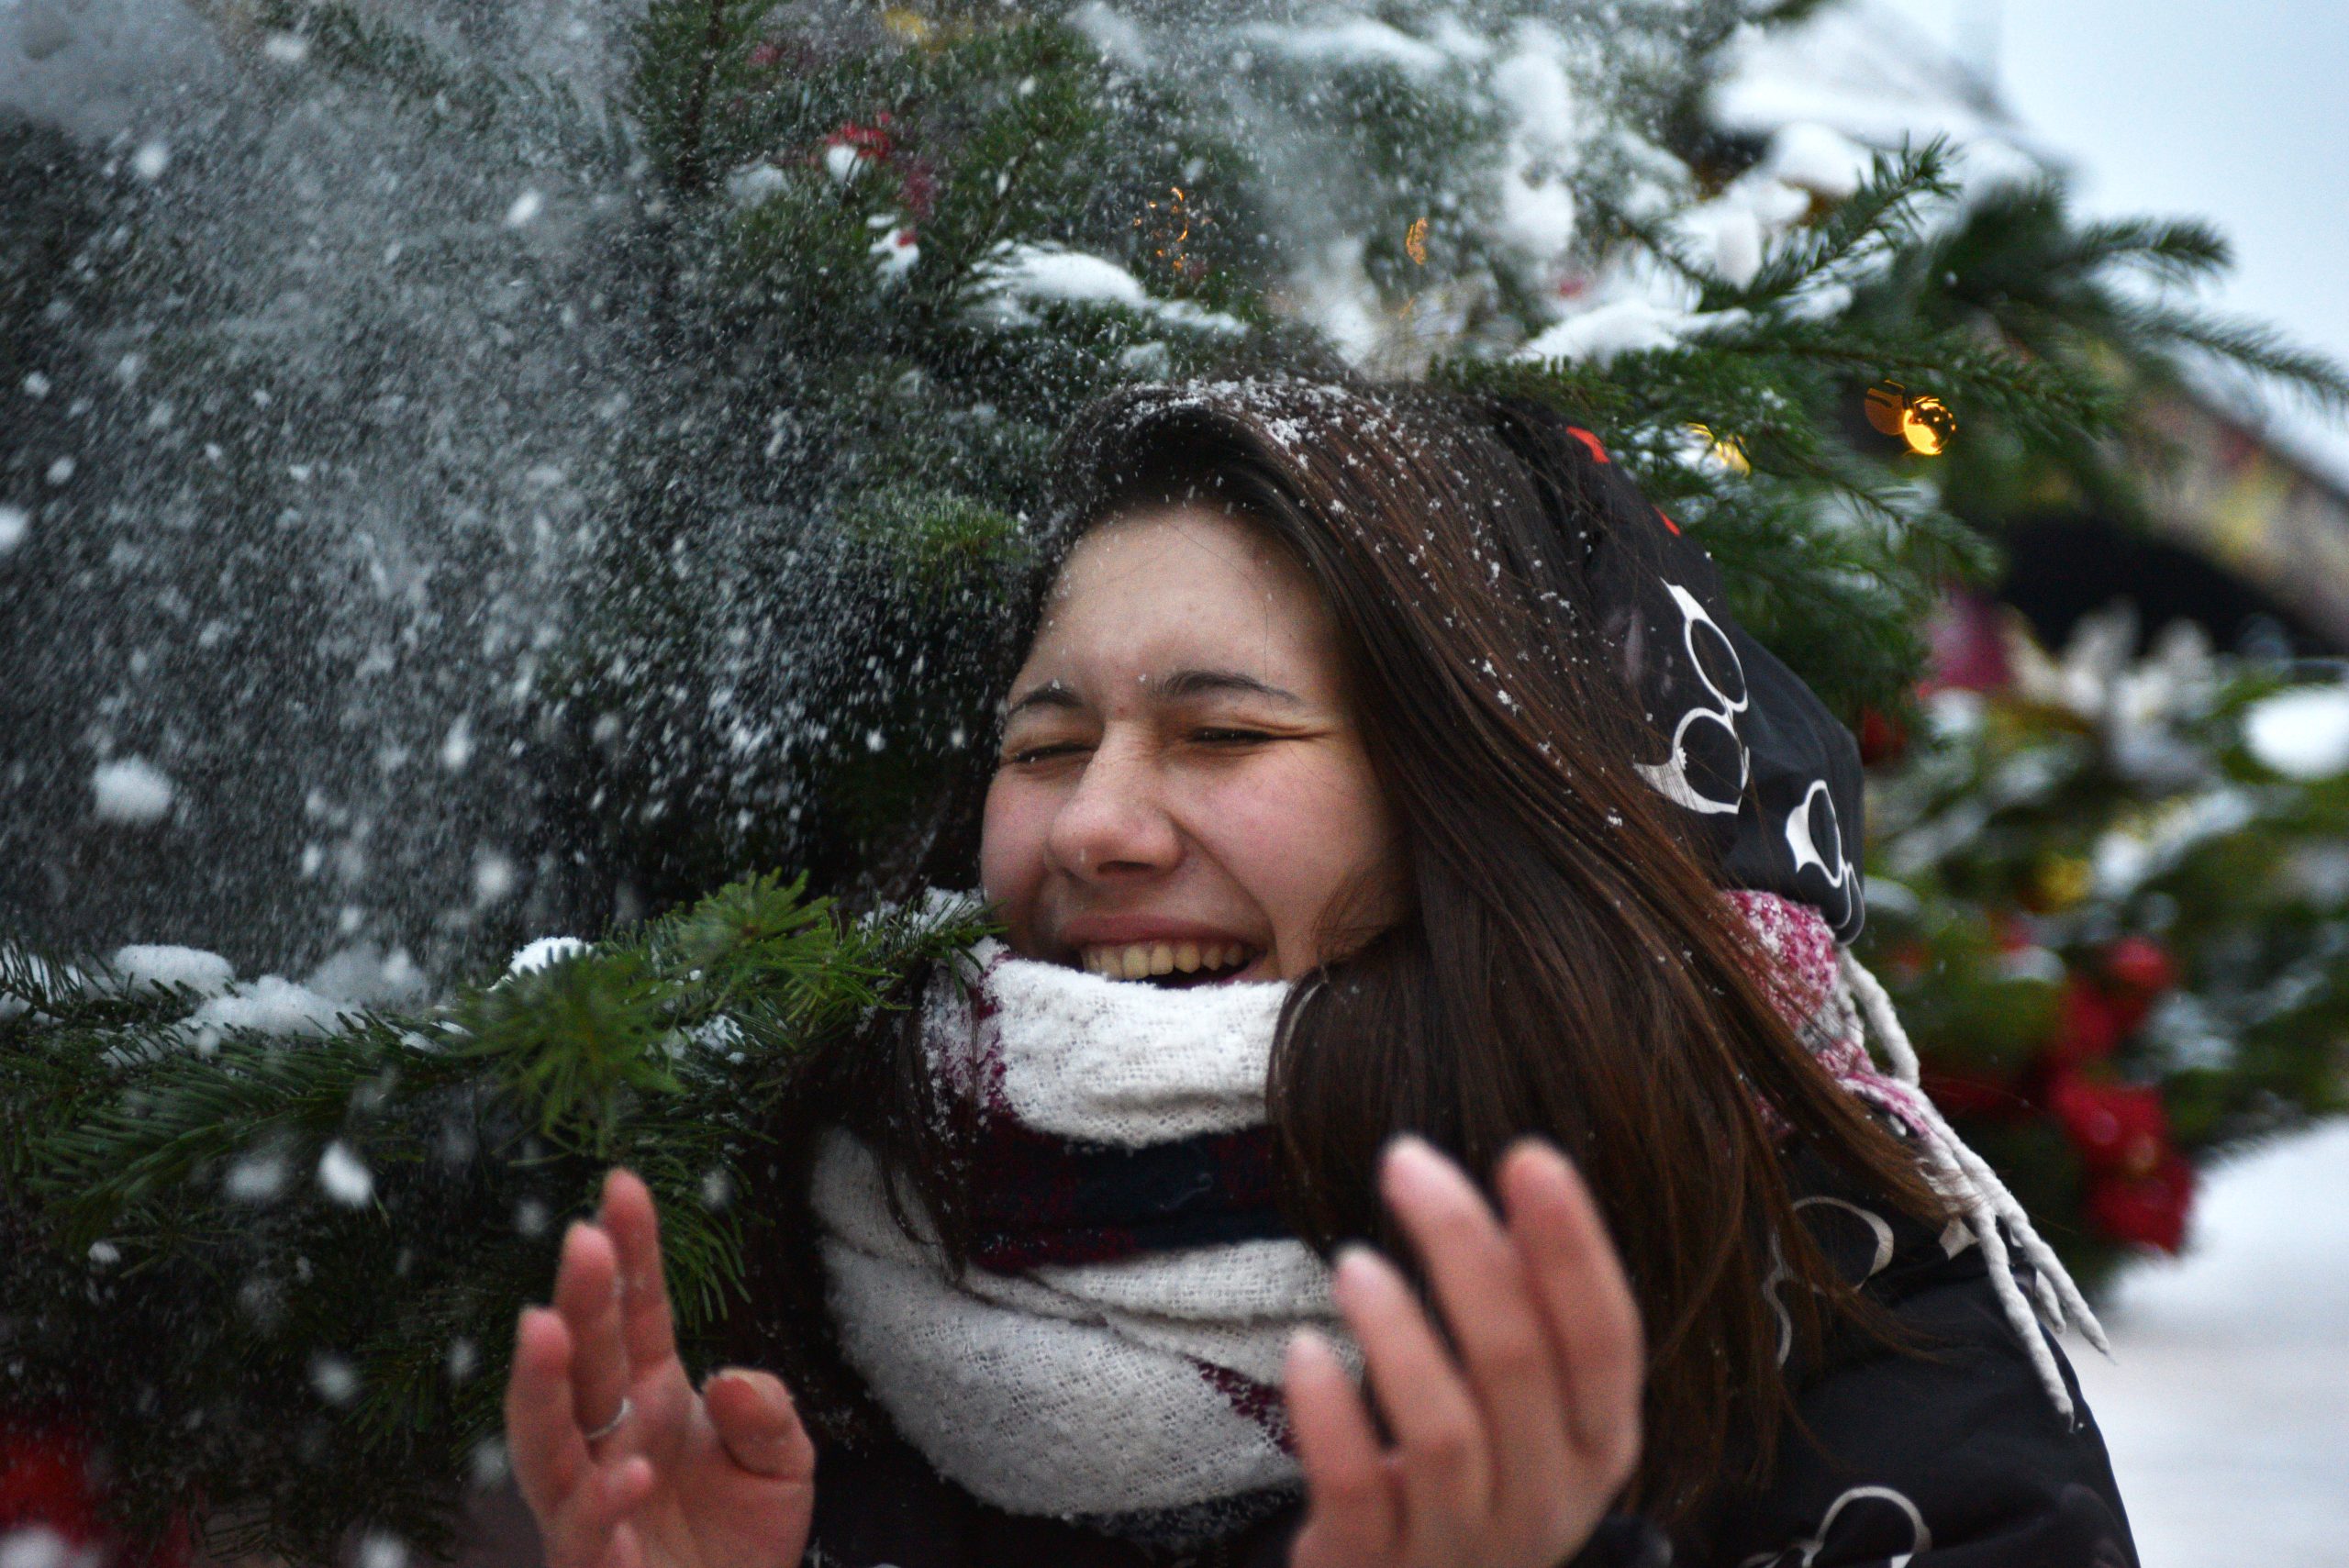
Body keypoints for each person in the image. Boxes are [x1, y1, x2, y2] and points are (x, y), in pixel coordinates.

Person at [501, 377, 2138, 1568]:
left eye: (1222, 733)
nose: (1097, 825)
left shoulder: (1823, 1313)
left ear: (1480, 797)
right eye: (1044, 741)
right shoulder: (838, 1273)